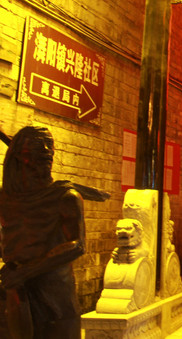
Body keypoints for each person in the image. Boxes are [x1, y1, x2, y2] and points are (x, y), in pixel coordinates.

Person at [0, 126, 107, 339]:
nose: (47, 150)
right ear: (20, 154)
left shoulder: (66, 197)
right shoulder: (6, 198)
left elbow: (77, 245)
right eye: (38, 145)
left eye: (49, 145)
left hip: (55, 298)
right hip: (15, 294)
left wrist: (25, 271)